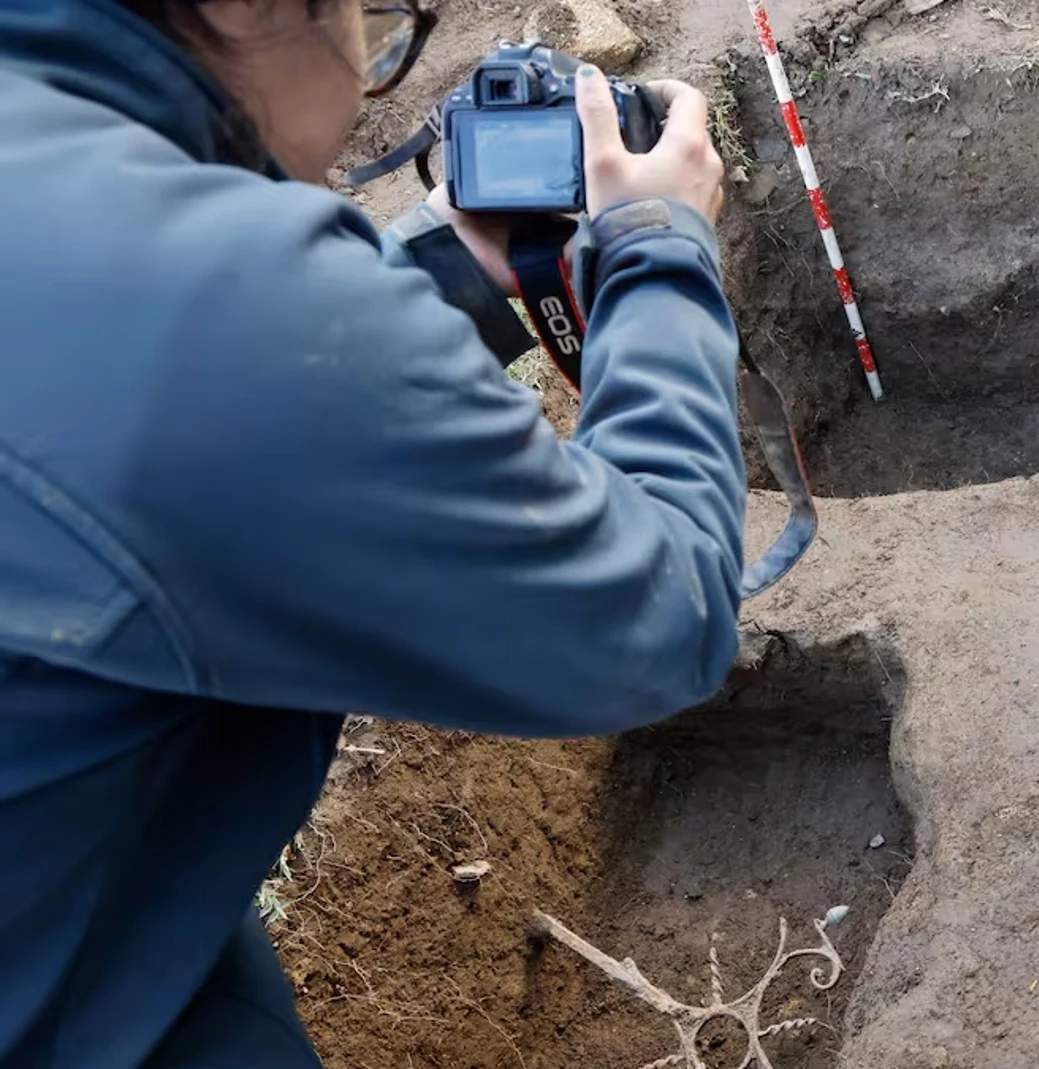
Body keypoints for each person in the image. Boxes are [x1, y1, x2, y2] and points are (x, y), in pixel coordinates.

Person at [0, 0, 748, 1063]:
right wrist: (657, 248)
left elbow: (149, 377)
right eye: (378, 25)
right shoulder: (229, 310)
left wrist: (424, 283)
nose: (371, 64)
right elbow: (661, 615)